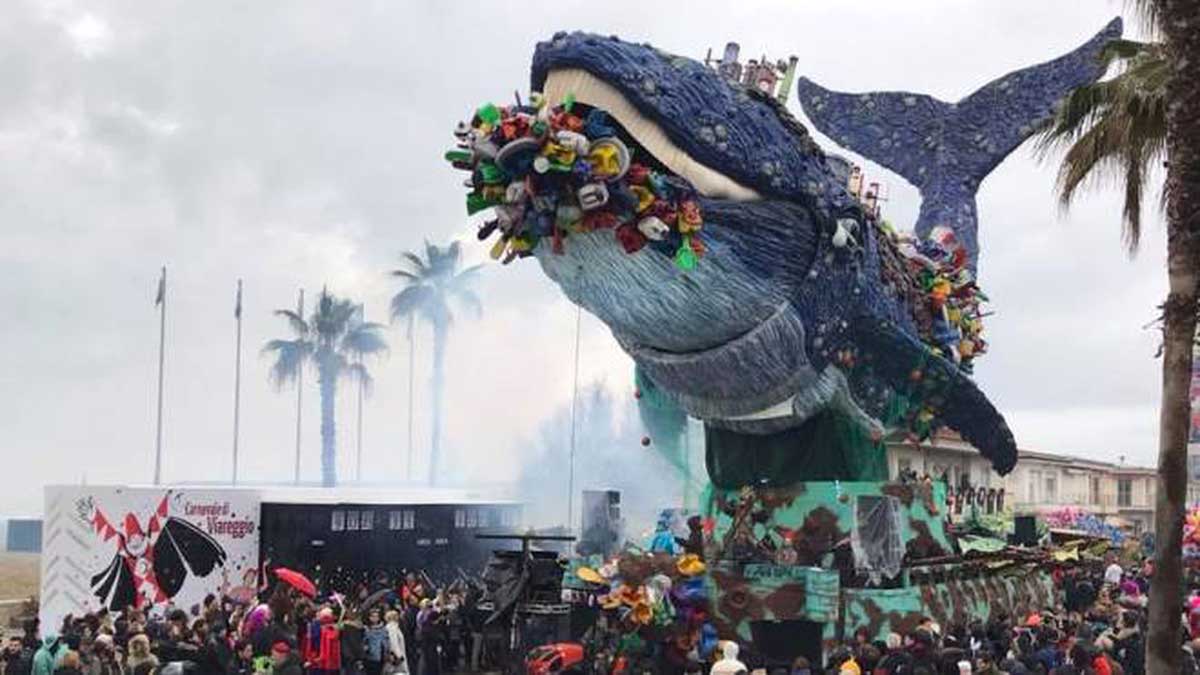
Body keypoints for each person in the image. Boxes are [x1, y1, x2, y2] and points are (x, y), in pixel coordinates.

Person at [363, 609, 388, 675]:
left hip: (381, 656)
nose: (375, 618)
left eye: (376, 616)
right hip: (370, 656)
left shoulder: (383, 628)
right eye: (373, 616)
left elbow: (386, 641)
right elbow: (363, 641)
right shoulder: (366, 629)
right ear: (369, 617)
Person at [385, 611, 409, 675]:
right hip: (397, 656)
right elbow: (393, 642)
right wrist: (399, 655)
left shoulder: (395, 627)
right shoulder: (392, 627)